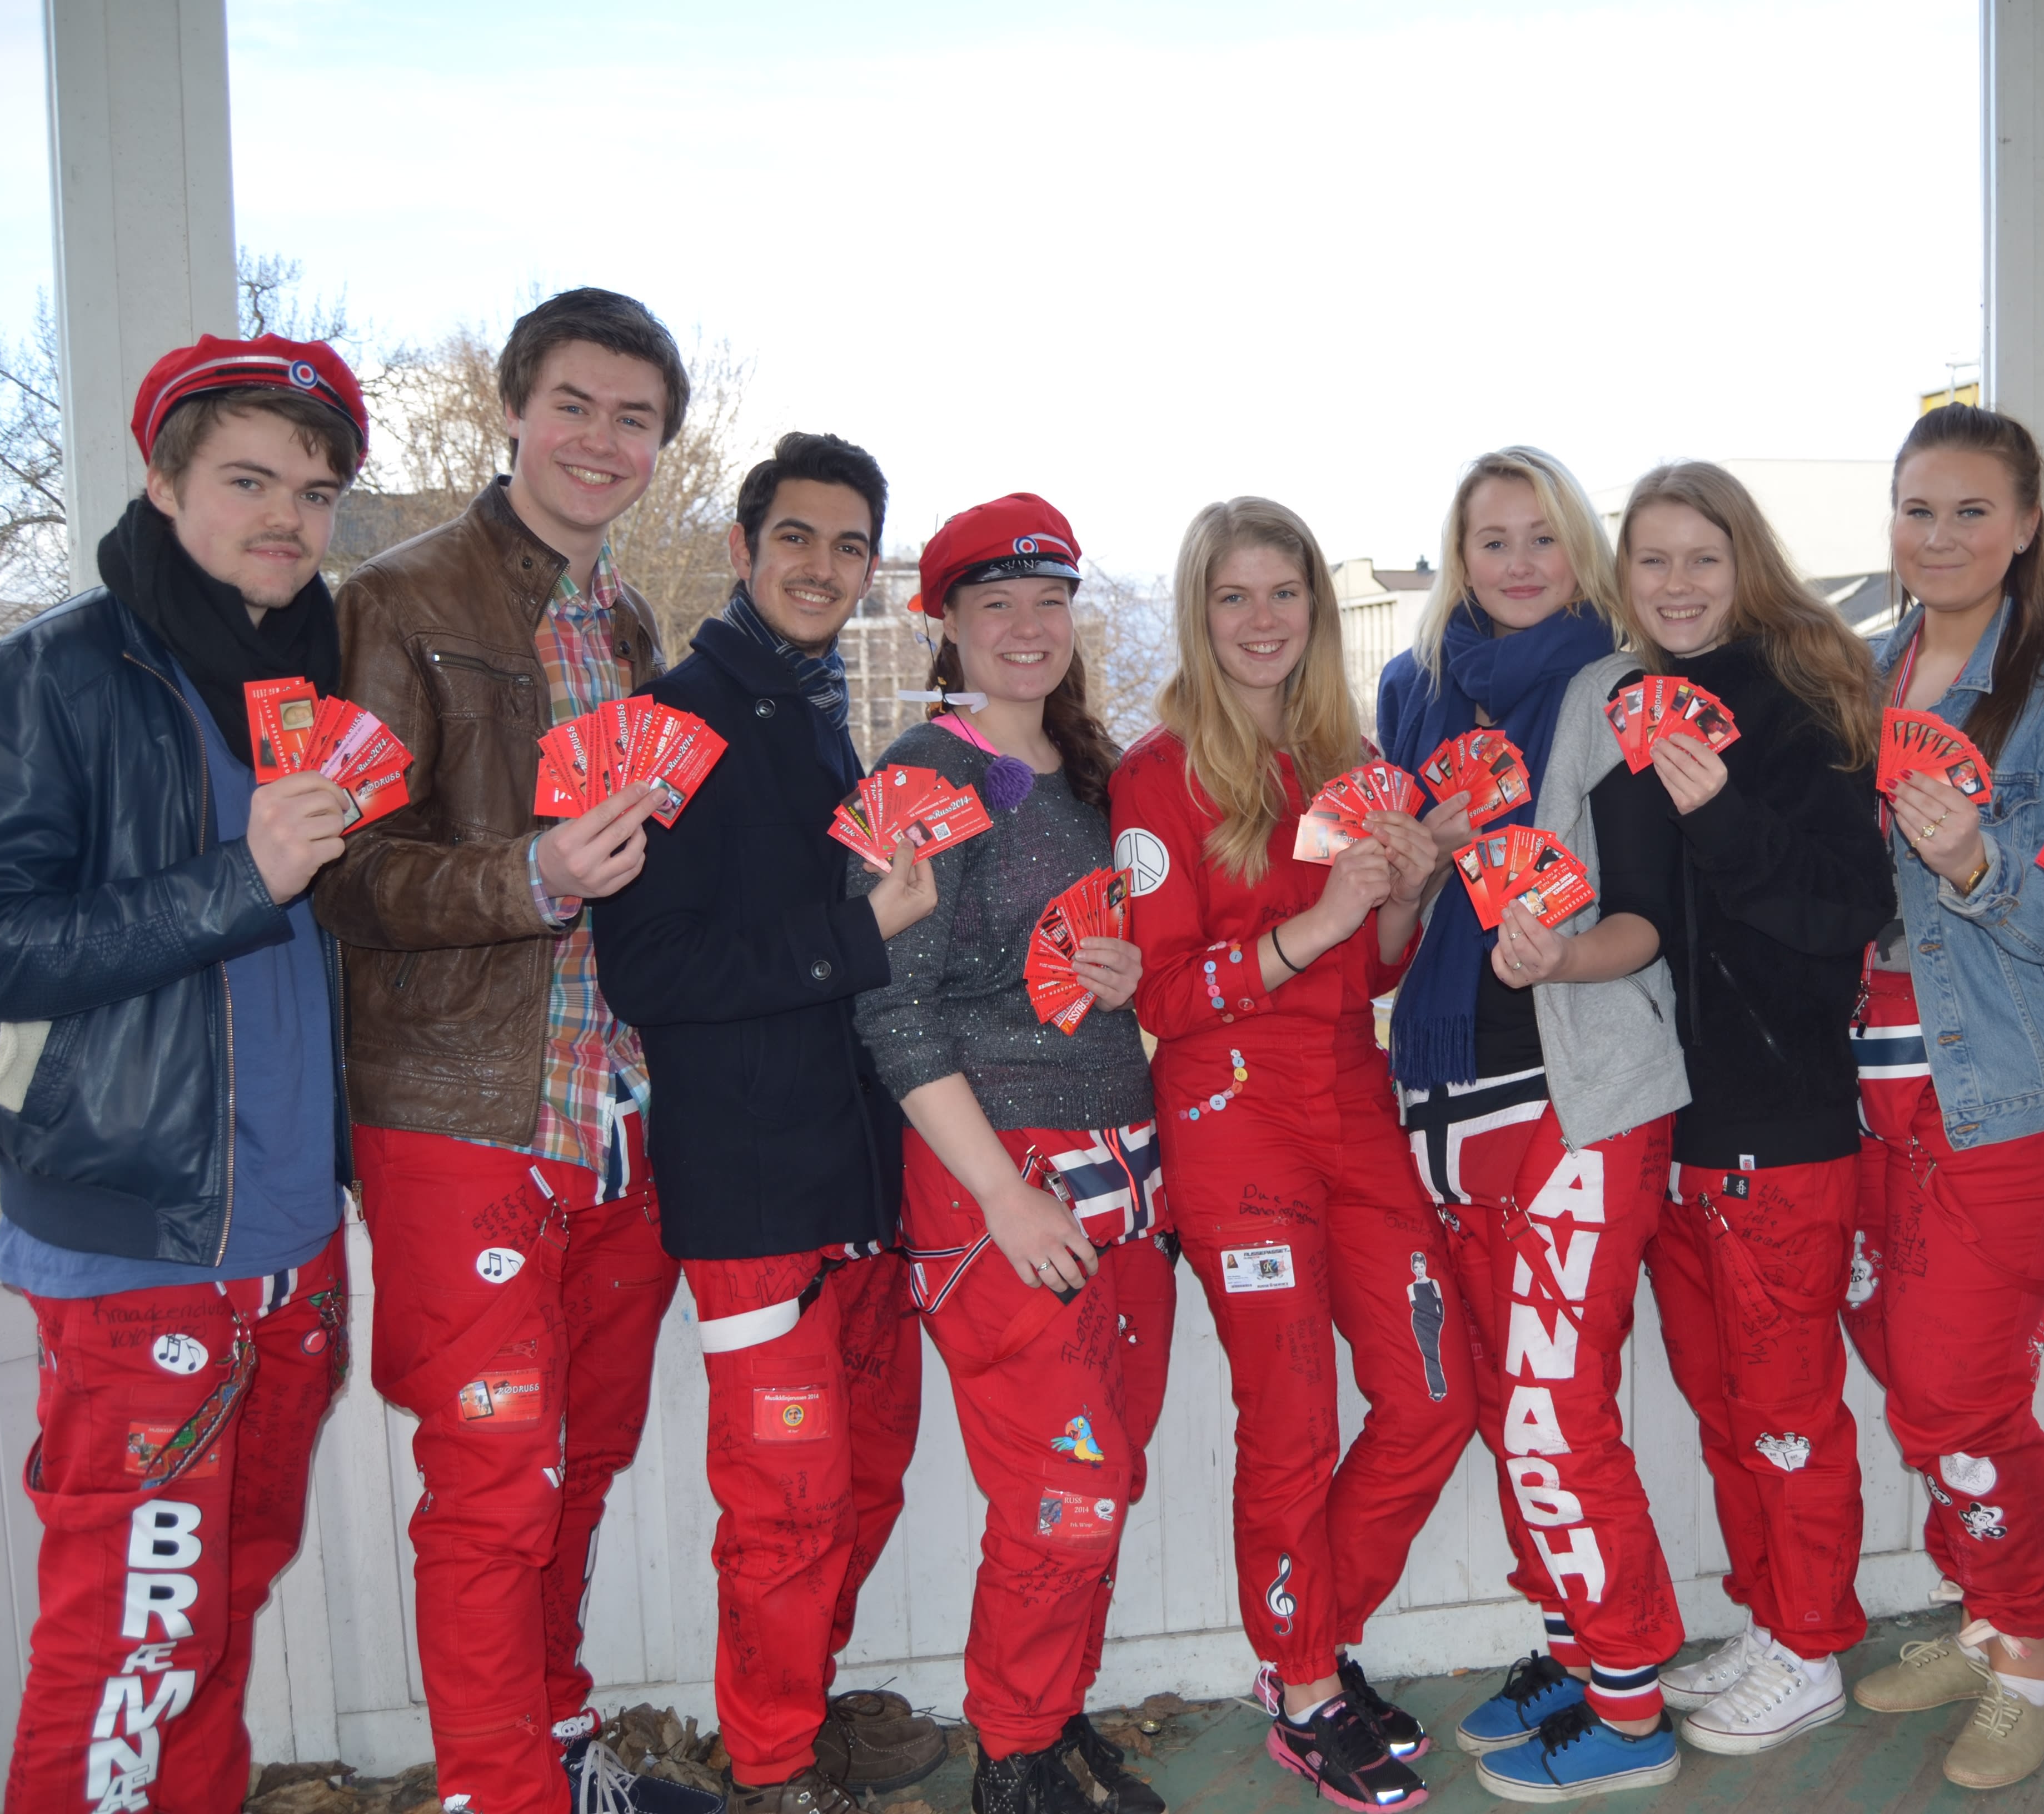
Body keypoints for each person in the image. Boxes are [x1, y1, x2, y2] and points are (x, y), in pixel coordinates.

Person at [0, 335, 367, 1813]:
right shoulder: (53, 675)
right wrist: (243, 878)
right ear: (164, 484)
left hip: (291, 1242)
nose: (287, 518)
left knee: (210, 1624)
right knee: (127, 1654)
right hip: (139, 1247)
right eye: (248, 480)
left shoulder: (312, 680)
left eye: (314, 492)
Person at [315, 288, 712, 1814]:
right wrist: (531, 876)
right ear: (513, 410)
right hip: (463, 1110)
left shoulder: (632, 625)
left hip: (615, 1111)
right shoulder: (398, 600)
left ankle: (552, 1749)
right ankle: (502, 1793)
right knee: (492, 1490)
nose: (601, 442)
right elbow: (344, 872)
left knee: (579, 1465)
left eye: (635, 419)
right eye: (575, 406)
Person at [591, 433, 949, 1814]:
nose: (821, 566)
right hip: (750, 1192)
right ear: (743, 548)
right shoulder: (669, 722)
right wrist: (857, 938)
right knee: (788, 1503)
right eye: (795, 537)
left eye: (849, 546)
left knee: (868, 1480)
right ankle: (773, 1771)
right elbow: (649, 970)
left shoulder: (817, 714)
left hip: (859, 1177)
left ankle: (802, 1714)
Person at [1108, 497, 1471, 1810]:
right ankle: (1309, 1685)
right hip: (1230, 1121)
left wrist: (1408, 892)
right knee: (1292, 1419)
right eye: (1234, 597)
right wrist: (1314, 927)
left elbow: (1374, 968)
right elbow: (1160, 996)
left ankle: (1304, 1645)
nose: (1262, 621)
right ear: (1198, 614)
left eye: (1284, 593)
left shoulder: (1349, 760)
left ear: (1315, 608)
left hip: (1351, 1101)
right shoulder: (1157, 776)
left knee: (1434, 1396)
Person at [1839, 403, 2044, 1791]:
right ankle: (1984, 1613)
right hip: (1868, 1091)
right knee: (1901, 1359)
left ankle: (2026, 1654)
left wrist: (1976, 859)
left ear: (2027, 525)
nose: (1940, 536)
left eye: (1972, 510)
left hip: (2015, 1095)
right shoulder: (1861, 672)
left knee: (1957, 1391)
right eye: (1918, 508)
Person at [849, 494, 1174, 1814]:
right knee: (1065, 1482)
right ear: (948, 624)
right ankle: (1013, 1757)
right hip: (1002, 1172)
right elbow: (890, 1006)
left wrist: (1127, 973)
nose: (1028, 627)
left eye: (1050, 601)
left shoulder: (1094, 772)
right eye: (996, 605)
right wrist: (999, 1192)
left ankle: (1049, 1716)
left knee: (1110, 1469)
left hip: (1121, 1156)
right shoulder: (920, 777)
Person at [1375, 448, 1689, 1802]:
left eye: (1540, 536)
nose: (1515, 562)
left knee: (1558, 1415)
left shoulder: (1618, 692)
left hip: (1578, 1096)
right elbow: (1386, 939)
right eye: (1489, 538)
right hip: (1442, 1096)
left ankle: (1631, 1705)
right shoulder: (1410, 696)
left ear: (1579, 552)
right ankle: (1573, 1649)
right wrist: (1419, 866)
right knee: (1515, 1410)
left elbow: (1653, 916)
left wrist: (1558, 955)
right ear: (1459, 554)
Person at [1573, 464, 1895, 1756]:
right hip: (1674, 1120)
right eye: (1651, 560)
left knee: (1785, 1411)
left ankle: (1814, 1644)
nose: (1676, 584)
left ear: (1744, 562)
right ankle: (1773, 1620)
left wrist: (1721, 811)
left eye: (1701, 558)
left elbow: (1846, 908)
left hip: (1784, 1120)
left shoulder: (1802, 701)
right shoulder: (1631, 706)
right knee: (1724, 1407)